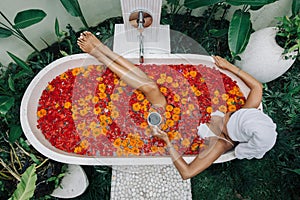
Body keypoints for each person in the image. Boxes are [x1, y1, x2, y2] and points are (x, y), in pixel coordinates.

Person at [77, 31, 277, 180]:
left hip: (171, 126)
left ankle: (101, 54)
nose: (228, 114)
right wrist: (229, 67)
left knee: (150, 87)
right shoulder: (247, 112)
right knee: (151, 87)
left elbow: (187, 173)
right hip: (180, 105)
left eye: (230, 120)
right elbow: (257, 87)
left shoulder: (219, 145)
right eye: (233, 114)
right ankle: (103, 52)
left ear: (234, 133)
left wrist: (167, 141)